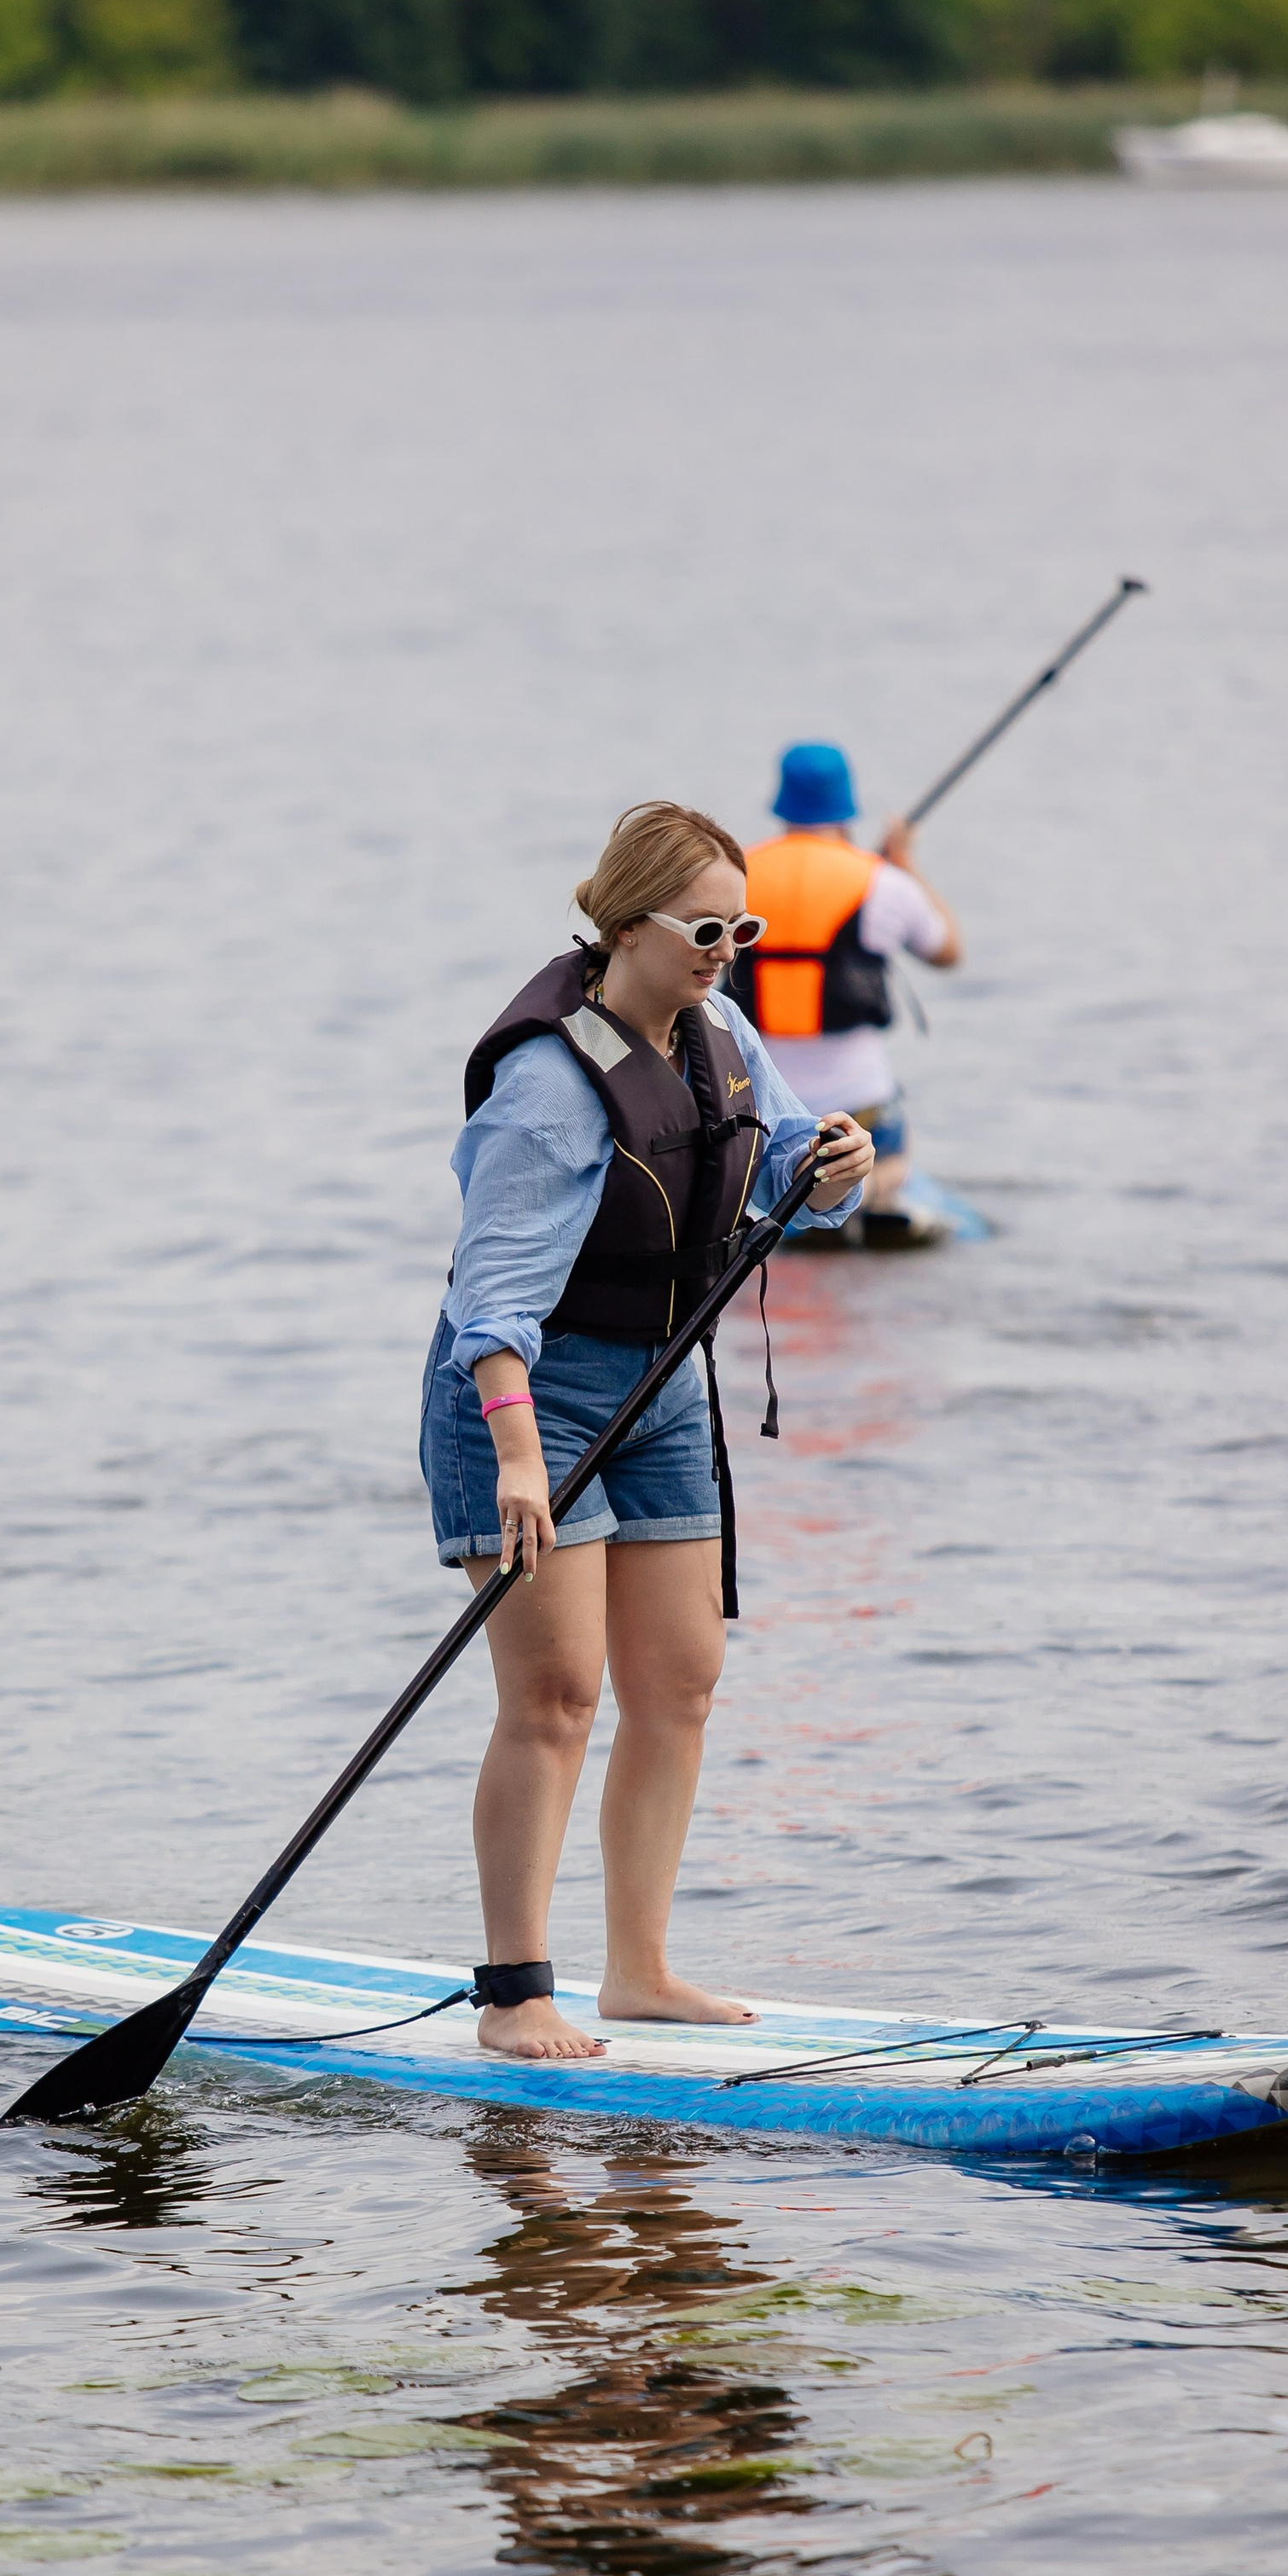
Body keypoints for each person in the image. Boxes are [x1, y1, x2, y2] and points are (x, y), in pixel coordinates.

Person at [420, 800, 873, 2067]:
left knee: (679, 1682)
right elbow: (492, 1304)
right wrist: (519, 1459)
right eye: (705, 930)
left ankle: (640, 1974)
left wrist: (839, 1165)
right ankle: (515, 1993)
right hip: (528, 1395)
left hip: (665, 1382)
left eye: (743, 929)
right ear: (626, 926)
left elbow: (790, 1168)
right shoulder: (546, 1090)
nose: (728, 952)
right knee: (555, 1697)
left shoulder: (718, 1032)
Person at [726, 741, 963, 1245]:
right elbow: (947, 951)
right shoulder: (883, 882)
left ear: (782, 801)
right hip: (859, 1104)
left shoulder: (734, 876)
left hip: (762, 1104)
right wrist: (904, 864)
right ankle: (873, 1192)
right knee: (889, 1158)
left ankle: (802, 1206)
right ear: (847, 804)